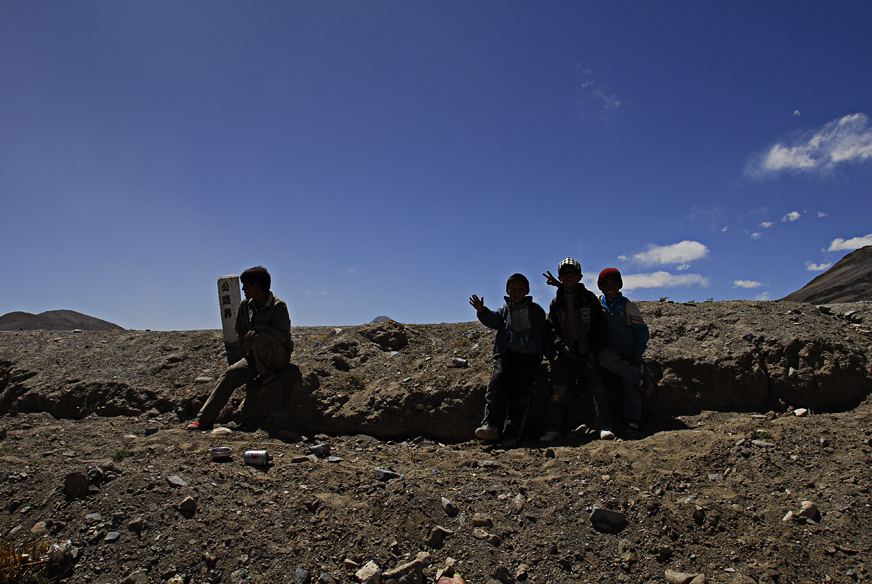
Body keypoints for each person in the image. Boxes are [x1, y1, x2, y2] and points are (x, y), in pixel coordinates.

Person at [186, 266, 293, 431]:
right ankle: (206, 418)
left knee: (260, 337)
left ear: (257, 285)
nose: (243, 289)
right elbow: (241, 335)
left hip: (278, 357)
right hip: (255, 357)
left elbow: (283, 336)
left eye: (246, 285)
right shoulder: (245, 306)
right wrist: (243, 361)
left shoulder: (278, 306)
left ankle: (267, 374)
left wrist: (260, 329)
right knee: (231, 373)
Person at [470, 273, 555, 448]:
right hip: (506, 356)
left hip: (529, 359)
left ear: (527, 290)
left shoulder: (536, 311)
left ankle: (512, 434)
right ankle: (491, 426)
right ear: (507, 291)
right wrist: (482, 311)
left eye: (521, 288)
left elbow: (544, 334)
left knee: (521, 397)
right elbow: (494, 321)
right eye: (513, 288)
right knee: (496, 388)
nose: (517, 291)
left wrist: (551, 356)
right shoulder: (504, 310)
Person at [539, 258, 615, 442]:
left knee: (598, 389)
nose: (569, 276)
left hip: (589, 353)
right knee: (558, 391)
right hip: (567, 354)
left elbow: (599, 325)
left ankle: (604, 426)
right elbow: (552, 329)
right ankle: (553, 429)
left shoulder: (589, 299)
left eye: (572, 273)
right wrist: (560, 346)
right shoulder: (556, 303)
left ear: (580, 276)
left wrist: (594, 350)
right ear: (560, 277)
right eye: (565, 273)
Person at [596, 267, 652, 436]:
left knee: (630, 387)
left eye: (614, 283)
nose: (610, 287)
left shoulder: (628, 305)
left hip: (629, 348)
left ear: (620, 285)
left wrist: (639, 351)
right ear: (600, 286)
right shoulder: (599, 303)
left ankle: (633, 423)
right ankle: (638, 377)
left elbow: (642, 331)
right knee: (605, 357)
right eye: (606, 284)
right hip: (612, 348)